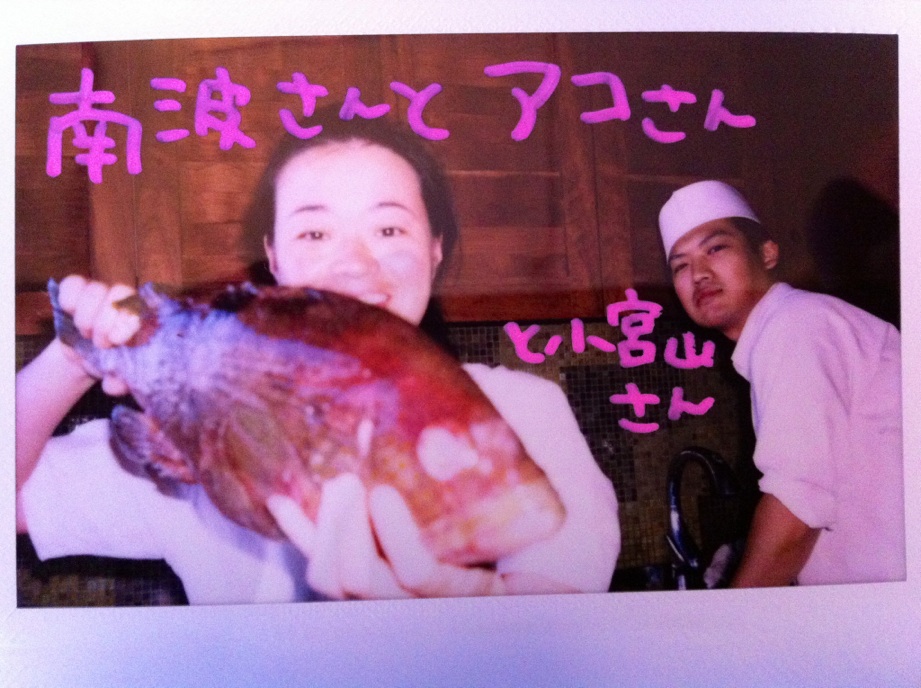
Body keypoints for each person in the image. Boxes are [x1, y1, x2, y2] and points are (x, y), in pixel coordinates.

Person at [16, 114, 620, 603]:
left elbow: (562, 613)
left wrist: (477, 613)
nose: (354, 265)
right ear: (274, 259)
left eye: (389, 230)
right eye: (314, 234)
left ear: (436, 250)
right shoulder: (201, 416)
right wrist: (74, 358)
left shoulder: (524, 410)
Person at [658, 179, 905, 587]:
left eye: (715, 248)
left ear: (767, 253)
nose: (698, 274)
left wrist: (736, 614)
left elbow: (796, 512)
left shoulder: (796, 326)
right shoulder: (788, 329)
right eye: (680, 266)